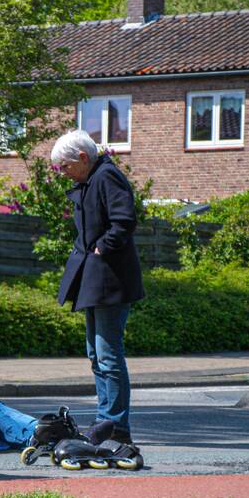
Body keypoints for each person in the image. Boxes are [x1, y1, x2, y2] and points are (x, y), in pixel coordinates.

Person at [51, 130, 145, 445]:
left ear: (82, 158)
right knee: (96, 354)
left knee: (108, 354)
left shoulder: (107, 177)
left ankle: (116, 424)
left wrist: (102, 247)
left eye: (64, 166)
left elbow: (125, 221)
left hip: (110, 280)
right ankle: (105, 420)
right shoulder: (90, 180)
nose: (62, 173)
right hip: (96, 279)